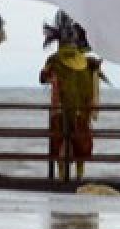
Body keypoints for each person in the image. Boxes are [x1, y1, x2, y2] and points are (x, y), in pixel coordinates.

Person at [39, 10, 106, 181]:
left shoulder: (82, 62)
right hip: (70, 110)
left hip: (72, 110)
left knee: (73, 143)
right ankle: (74, 176)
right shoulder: (60, 61)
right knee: (67, 142)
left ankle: (69, 177)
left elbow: (43, 78)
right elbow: (44, 78)